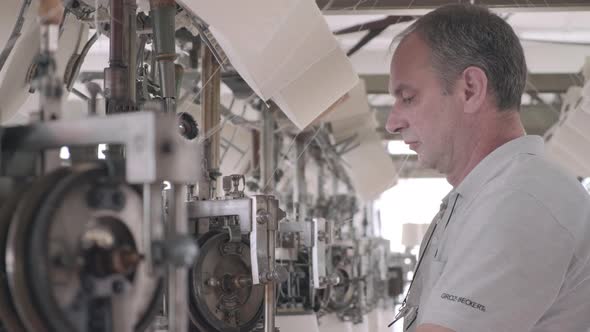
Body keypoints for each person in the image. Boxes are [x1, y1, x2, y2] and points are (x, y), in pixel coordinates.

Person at [386, 4, 590, 332]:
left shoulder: (522, 199)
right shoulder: (481, 198)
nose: (392, 122)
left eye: (408, 98)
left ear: (470, 89)